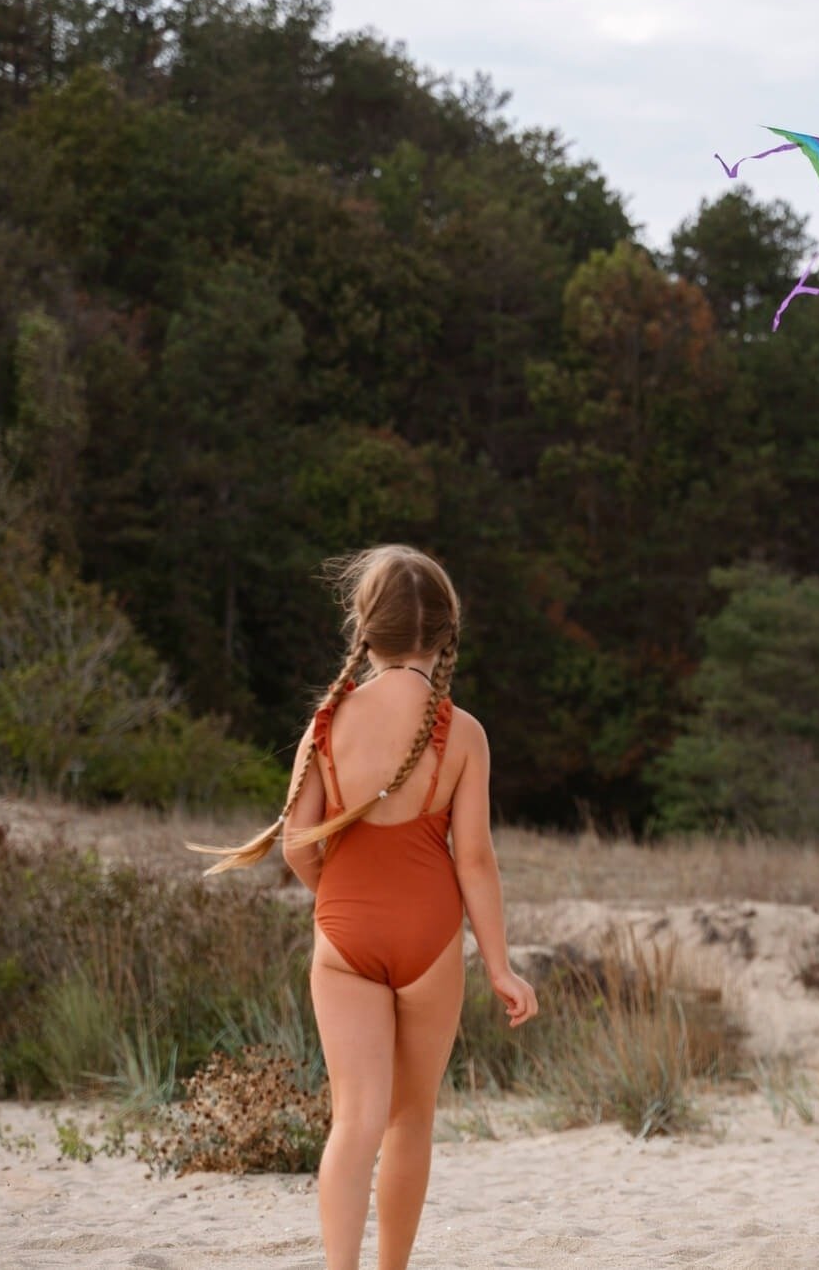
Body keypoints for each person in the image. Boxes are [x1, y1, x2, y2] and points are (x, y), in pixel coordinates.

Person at [192, 544, 538, 1270]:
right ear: (447, 632)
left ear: (363, 626)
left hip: (345, 934)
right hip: (429, 935)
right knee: (410, 1120)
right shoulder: (463, 732)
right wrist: (501, 966)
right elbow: (475, 858)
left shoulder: (329, 721)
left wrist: (339, 900)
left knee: (353, 1122)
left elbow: (294, 843)